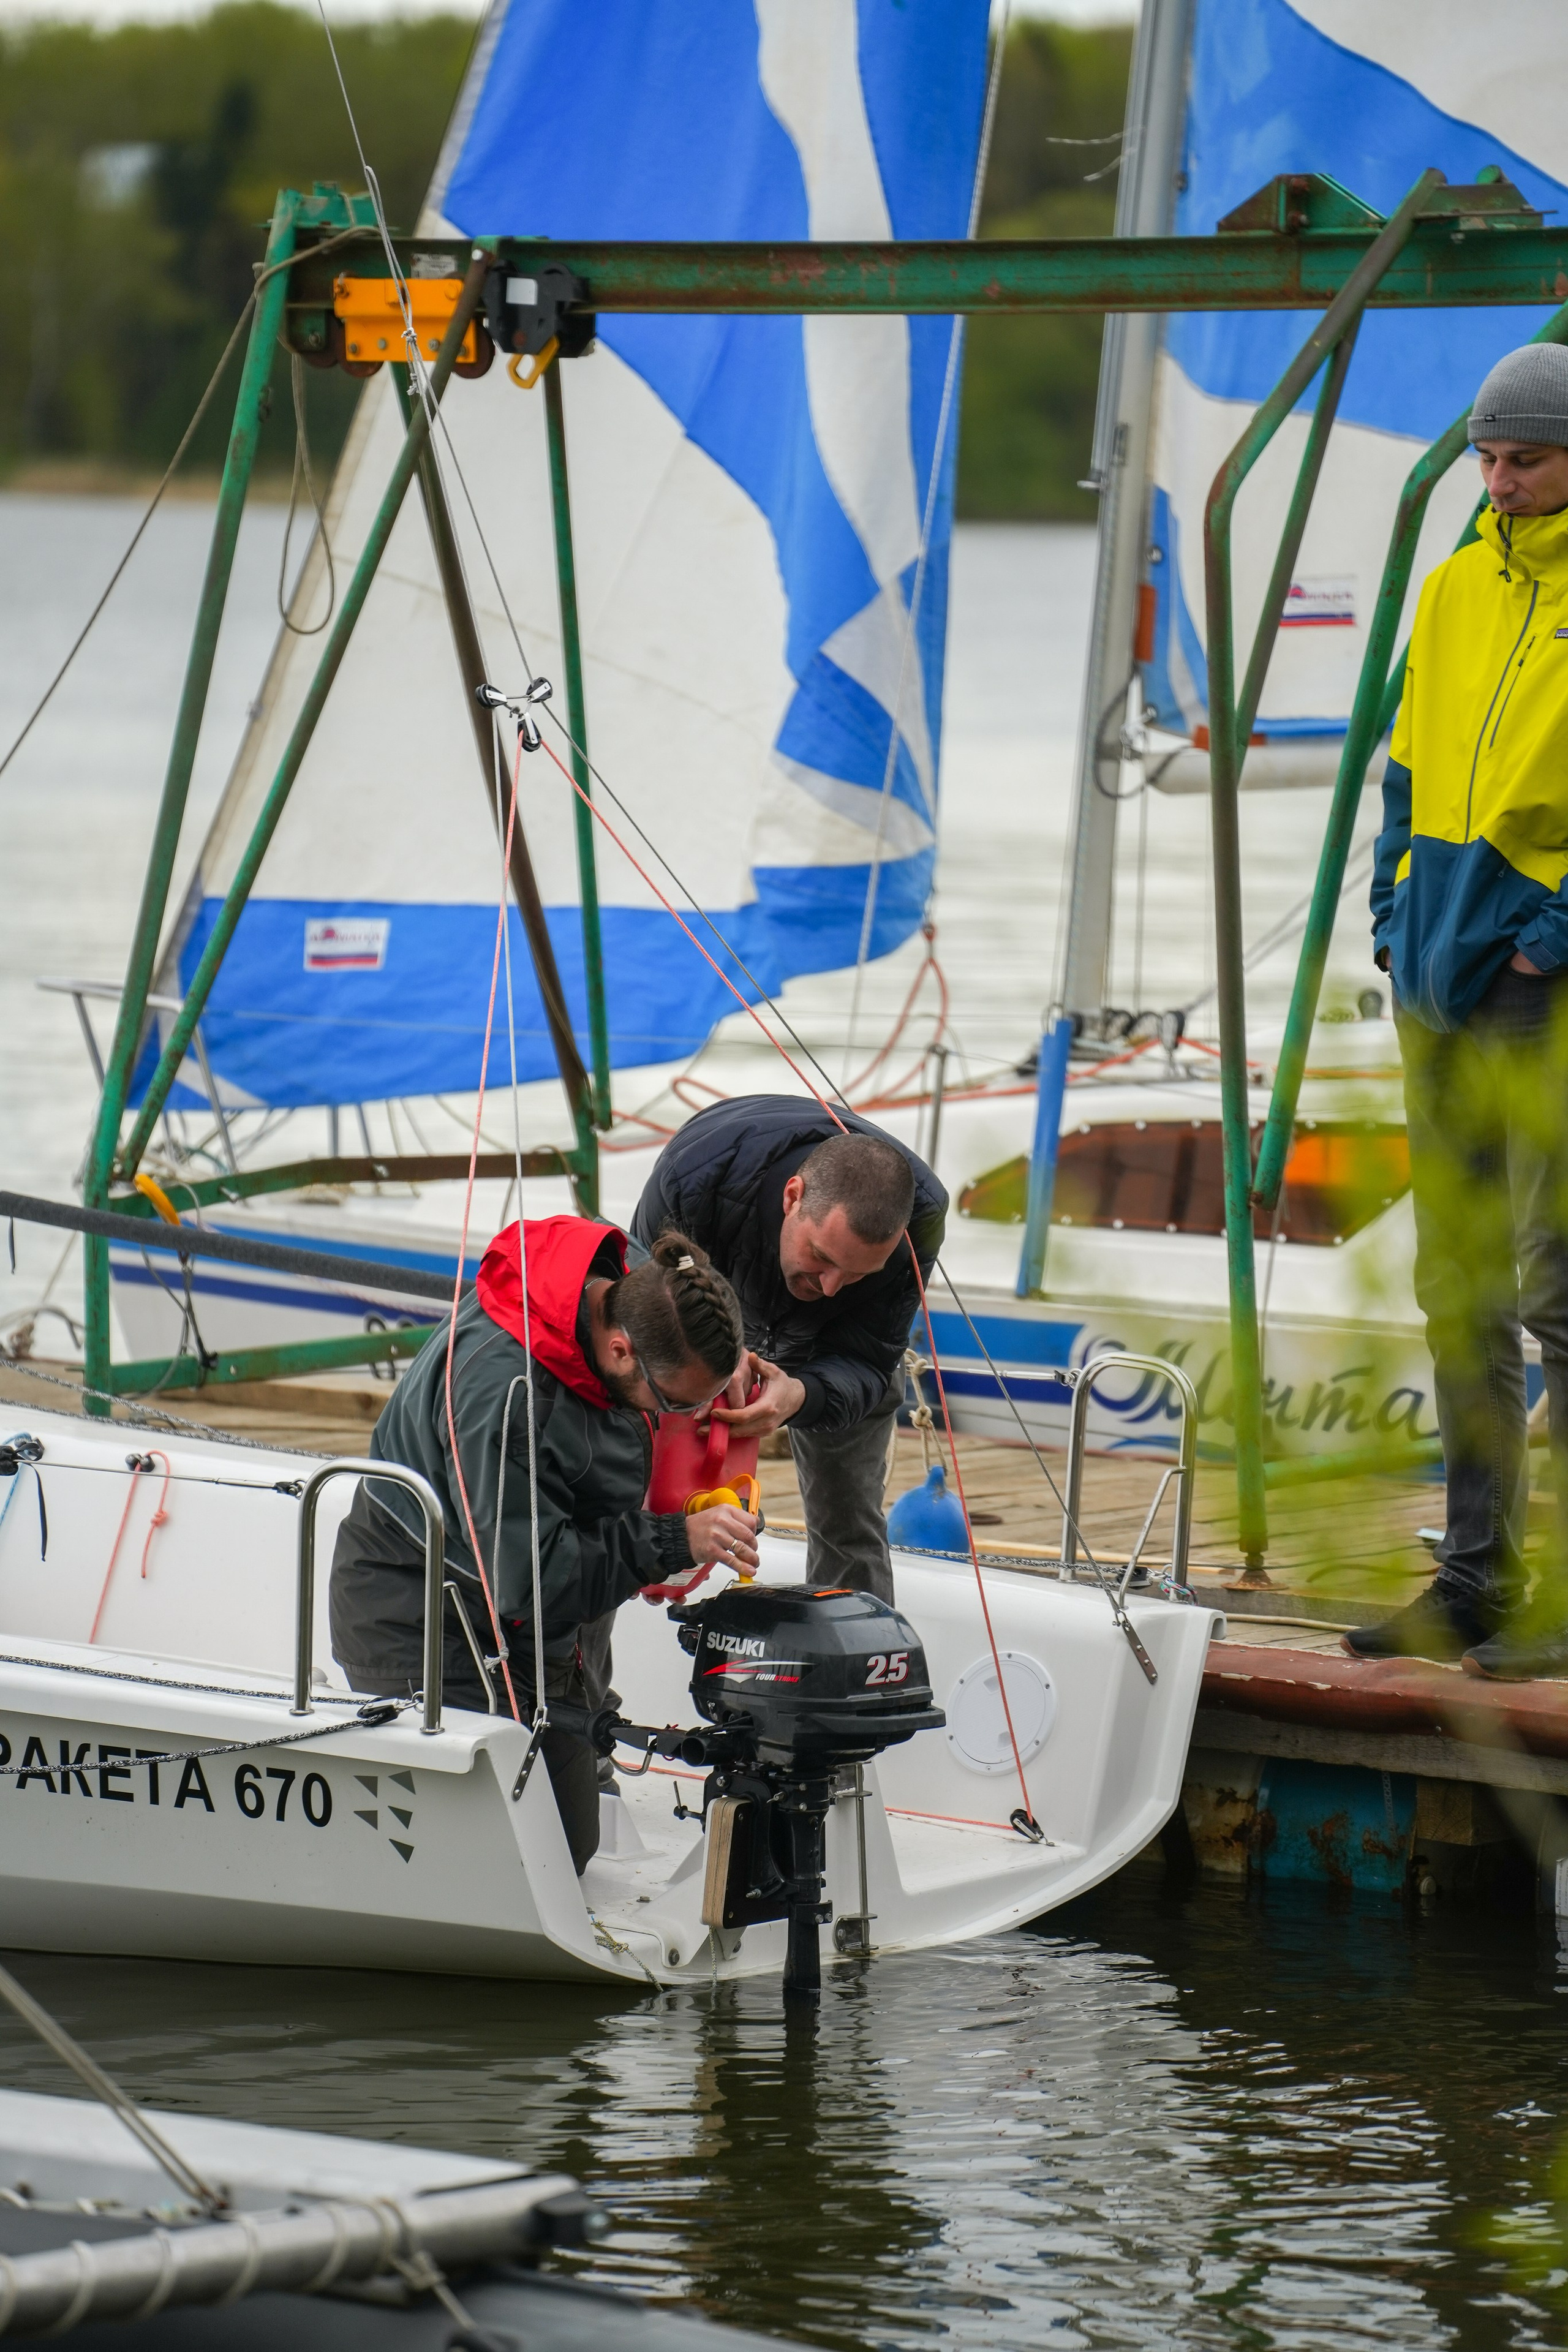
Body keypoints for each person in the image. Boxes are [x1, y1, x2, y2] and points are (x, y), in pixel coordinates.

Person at [1349, 341, 1568, 1676]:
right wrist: (1389, 911)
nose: (1497, 482)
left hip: (1540, 994)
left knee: (1558, 1291)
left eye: (1524, 460)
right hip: (1433, 983)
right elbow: (1403, 767)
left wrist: (1549, 942)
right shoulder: (1451, 587)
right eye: (1484, 457)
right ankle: (1477, 1580)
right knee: (1456, 1293)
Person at [330, 1216, 753, 1872]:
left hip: (526, 1617)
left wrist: (740, 1386)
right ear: (619, 1351)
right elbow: (533, 1580)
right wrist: (673, 1539)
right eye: (673, 1403)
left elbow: (680, 1341)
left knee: (566, 1847)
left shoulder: (644, 1289)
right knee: (537, 1856)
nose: (679, 1417)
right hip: (424, 1611)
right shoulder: (506, 1397)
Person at [630, 1097, 948, 1603]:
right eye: (820, 1257)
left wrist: (801, 1395)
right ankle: (580, 1670)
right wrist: (719, 1347)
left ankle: (854, 1659)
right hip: (710, 1323)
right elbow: (648, 1304)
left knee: (848, 1519)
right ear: (792, 1196)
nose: (830, 1287)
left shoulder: (922, 1217)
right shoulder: (697, 1174)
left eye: (858, 1275)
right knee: (613, 1488)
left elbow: (868, 1360)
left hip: (835, 1352)